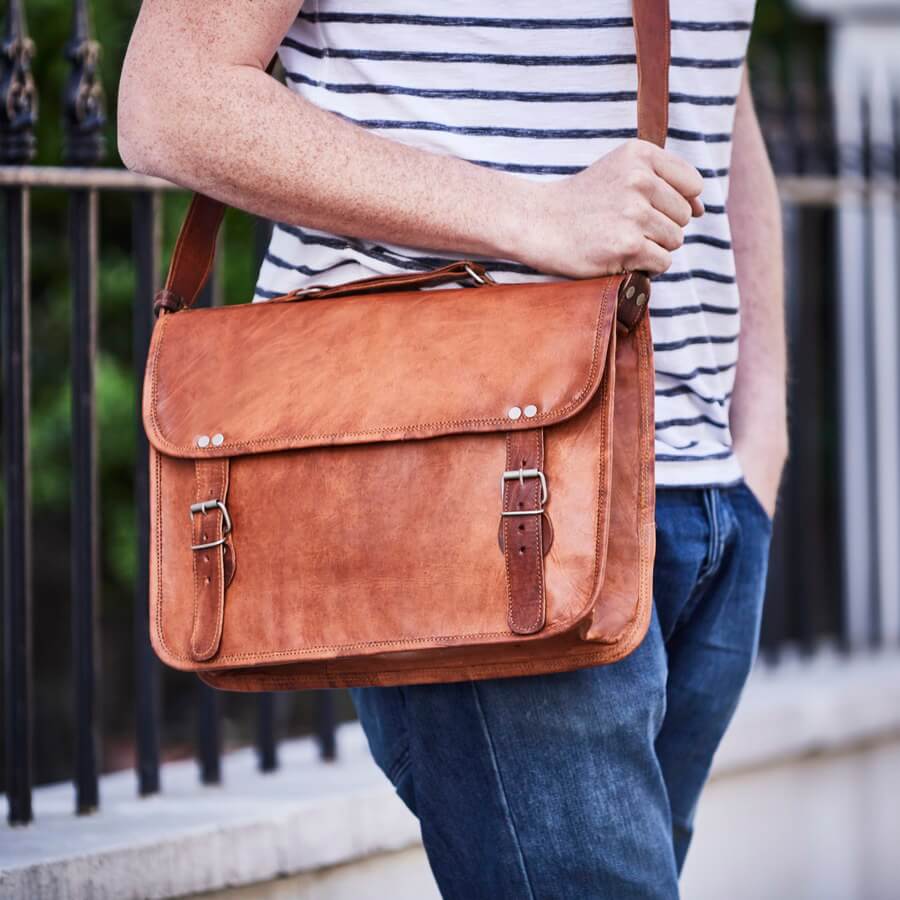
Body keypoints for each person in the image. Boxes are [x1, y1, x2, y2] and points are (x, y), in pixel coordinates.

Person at [119, 2, 787, 897]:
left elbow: (712, 96)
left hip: (707, 500)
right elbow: (169, 98)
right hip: (477, 491)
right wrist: (535, 215)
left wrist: (762, 432)